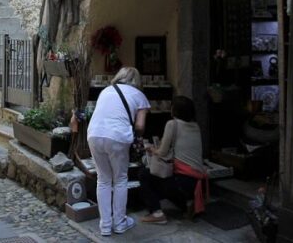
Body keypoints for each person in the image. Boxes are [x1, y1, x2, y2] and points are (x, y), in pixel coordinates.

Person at [87, 66, 150, 236]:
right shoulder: (140, 96)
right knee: (120, 179)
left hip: (94, 134)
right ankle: (120, 223)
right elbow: (140, 126)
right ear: (136, 80)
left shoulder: (106, 90)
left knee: (103, 180)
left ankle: (105, 226)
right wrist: (137, 136)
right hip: (118, 137)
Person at [139, 96, 208, 224]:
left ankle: (156, 213)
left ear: (174, 110)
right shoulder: (195, 126)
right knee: (166, 177)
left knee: (145, 175)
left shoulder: (172, 124)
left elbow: (162, 152)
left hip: (181, 180)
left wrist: (151, 149)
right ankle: (187, 203)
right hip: (196, 180)